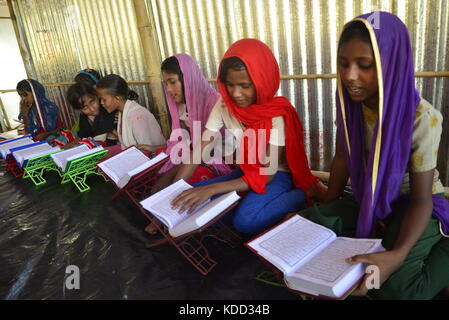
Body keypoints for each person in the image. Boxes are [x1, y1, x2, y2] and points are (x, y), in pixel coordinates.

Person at [298, 12, 449, 299]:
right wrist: (327, 213)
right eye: (344, 64)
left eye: (364, 65)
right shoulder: (351, 102)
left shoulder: (422, 118)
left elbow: (421, 199)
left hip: (413, 205)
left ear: (391, 65)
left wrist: (399, 255)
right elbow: (343, 157)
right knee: (309, 232)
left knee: (391, 286)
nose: (349, 75)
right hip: (368, 197)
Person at [170, 39, 322, 235]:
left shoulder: (276, 114)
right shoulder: (224, 105)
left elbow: (267, 175)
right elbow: (201, 148)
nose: (236, 93)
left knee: (245, 222)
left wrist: (212, 190)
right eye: (230, 85)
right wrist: (174, 190)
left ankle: (303, 194)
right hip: (245, 170)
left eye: (244, 85)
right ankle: (245, 205)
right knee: (187, 199)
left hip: (278, 175)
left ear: (262, 81)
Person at [95, 74, 166, 151]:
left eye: (104, 100)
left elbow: (146, 149)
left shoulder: (136, 115)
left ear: (117, 98)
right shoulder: (122, 112)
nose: (101, 103)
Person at [66, 82, 117, 147]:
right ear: (79, 110)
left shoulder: (108, 110)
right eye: (85, 107)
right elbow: (83, 134)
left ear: (97, 96)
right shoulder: (84, 117)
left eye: (93, 102)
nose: (92, 109)